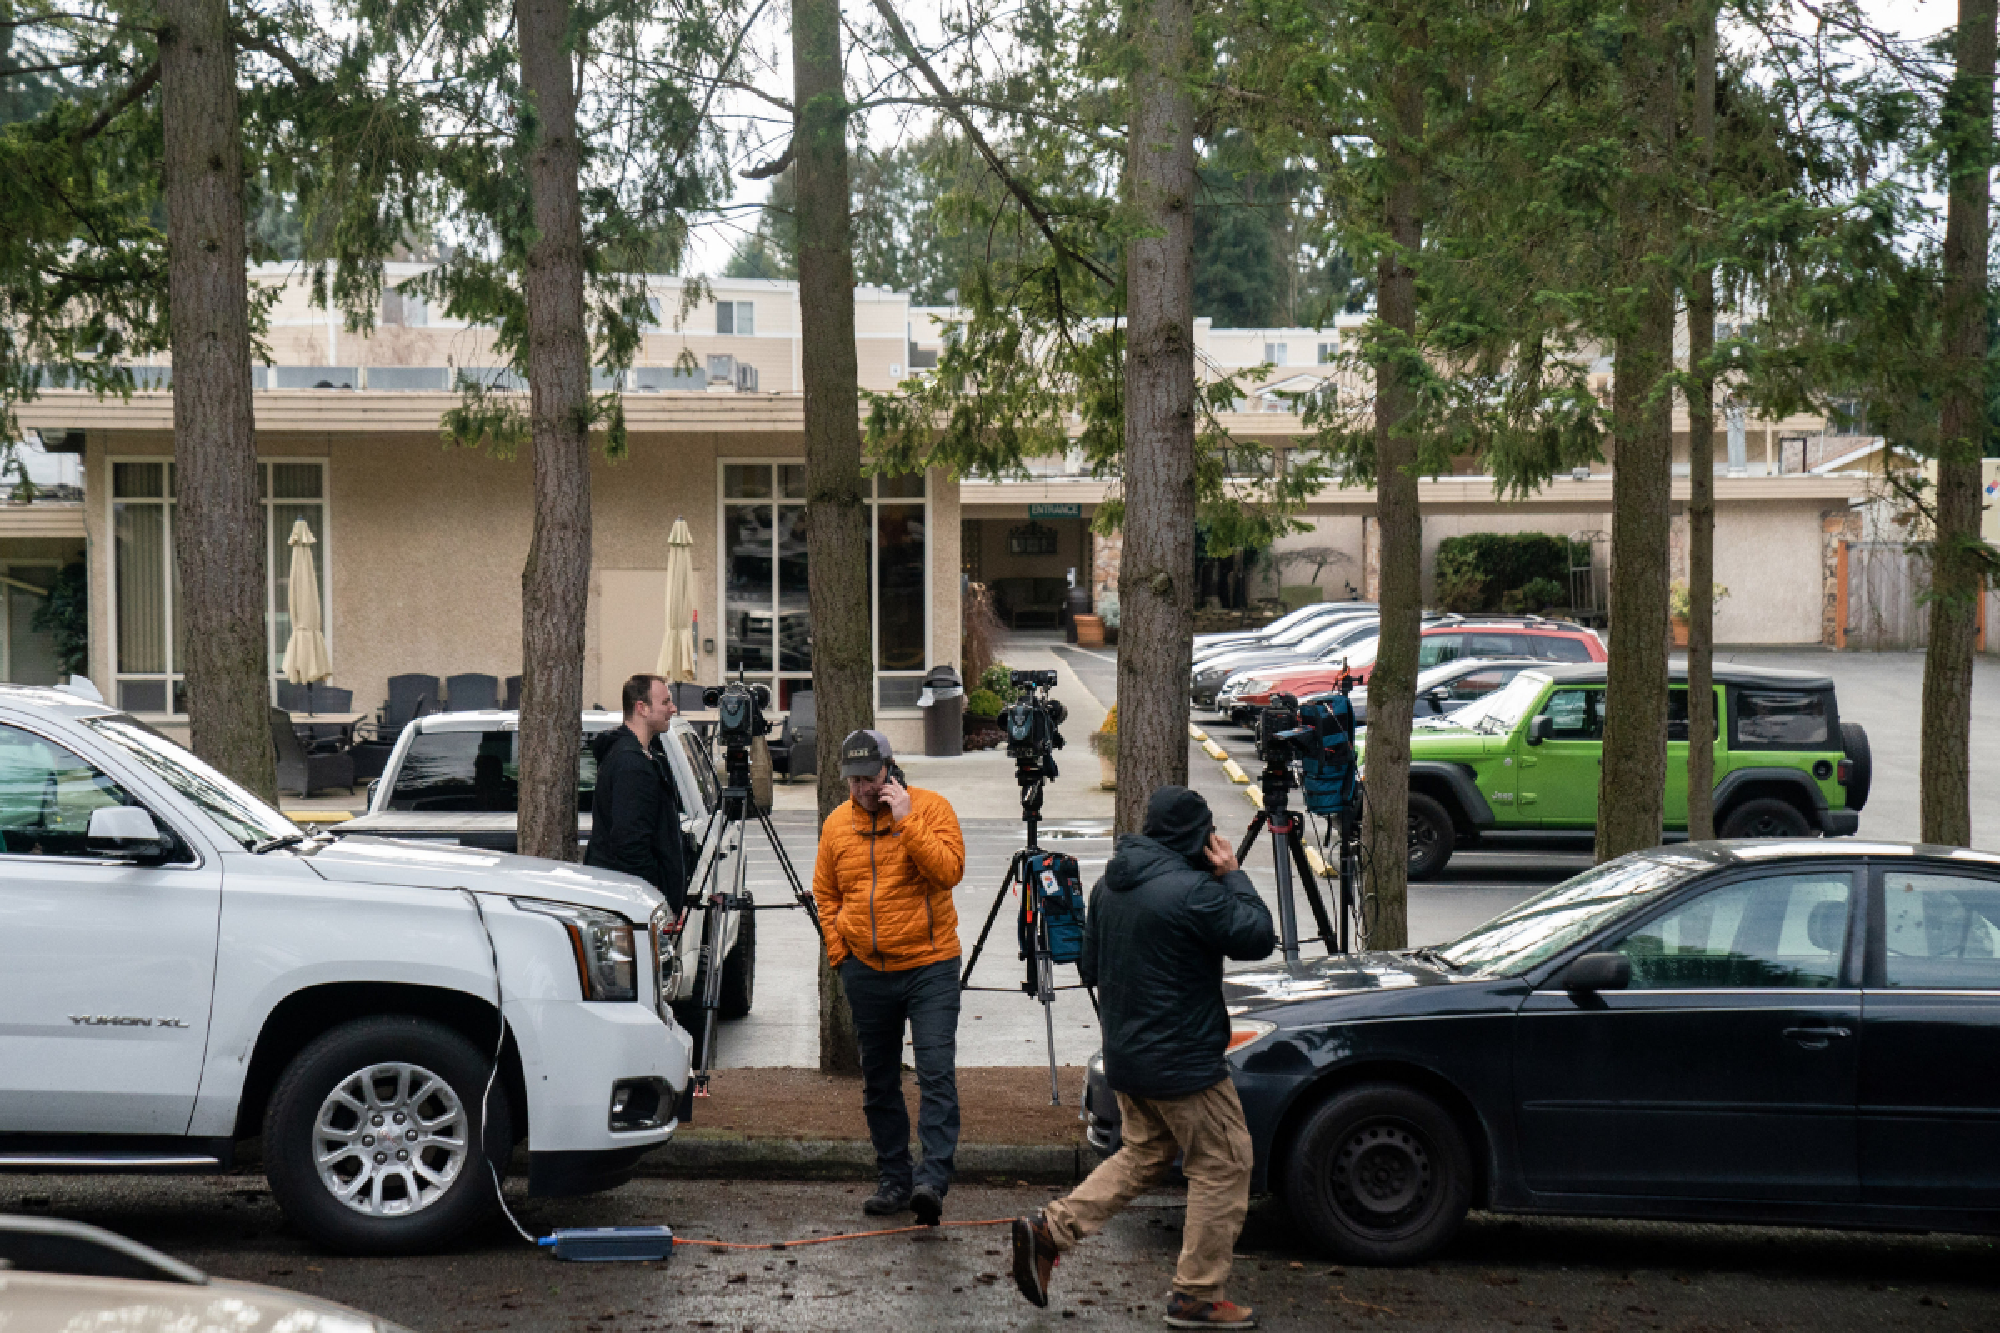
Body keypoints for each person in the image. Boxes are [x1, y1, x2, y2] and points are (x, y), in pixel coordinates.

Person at [1011, 785, 1275, 1330]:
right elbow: (1257, 936)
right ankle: (1197, 1296)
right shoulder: (1193, 891)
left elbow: (1090, 964)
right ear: (1196, 837)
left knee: (1144, 1155)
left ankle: (1049, 1230)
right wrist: (1232, 874)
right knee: (1224, 1164)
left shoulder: (1111, 885)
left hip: (1129, 1059)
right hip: (1185, 1067)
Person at [812, 728, 966, 1227]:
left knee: (936, 1071)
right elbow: (825, 894)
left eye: (869, 777)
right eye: (853, 780)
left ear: (890, 769)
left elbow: (948, 872)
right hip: (867, 971)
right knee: (878, 1081)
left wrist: (907, 823)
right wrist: (843, 956)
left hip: (930, 965)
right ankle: (895, 1179)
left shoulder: (932, 808)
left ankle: (932, 1181)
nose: (861, 789)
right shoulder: (837, 824)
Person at [584, 674, 691, 913]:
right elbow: (630, 843)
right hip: (635, 906)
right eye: (665, 702)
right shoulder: (630, 765)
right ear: (642, 708)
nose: (673, 709)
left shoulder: (642, 756)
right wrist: (656, 905)